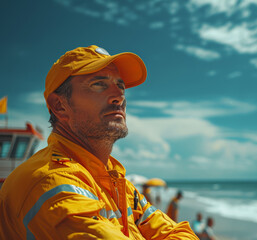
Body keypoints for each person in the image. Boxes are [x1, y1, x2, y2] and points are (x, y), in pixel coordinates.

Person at [0, 45, 198, 239]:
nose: (118, 96)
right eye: (99, 84)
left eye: (120, 86)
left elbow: (180, 232)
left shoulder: (113, 179)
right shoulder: (50, 182)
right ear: (59, 106)